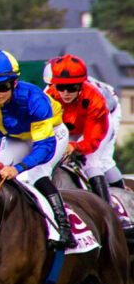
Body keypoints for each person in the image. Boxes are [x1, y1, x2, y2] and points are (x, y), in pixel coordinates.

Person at [0, 50, 75, 249]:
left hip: (51, 134)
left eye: (2, 86)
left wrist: (18, 168)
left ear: (14, 83)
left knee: (35, 174)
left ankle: (63, 229)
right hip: (16, 137)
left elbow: (44, 146)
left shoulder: (34, 99)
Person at [43, 55, 126, 198]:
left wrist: (74, 147)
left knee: (96, 161)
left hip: (104, 116)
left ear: (81, 84)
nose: (65, 93)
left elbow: (92, 140)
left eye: (71, 88)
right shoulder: (48, 95)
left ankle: (112, 210)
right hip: (72, 119)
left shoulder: (95, 99)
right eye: (60, 87)